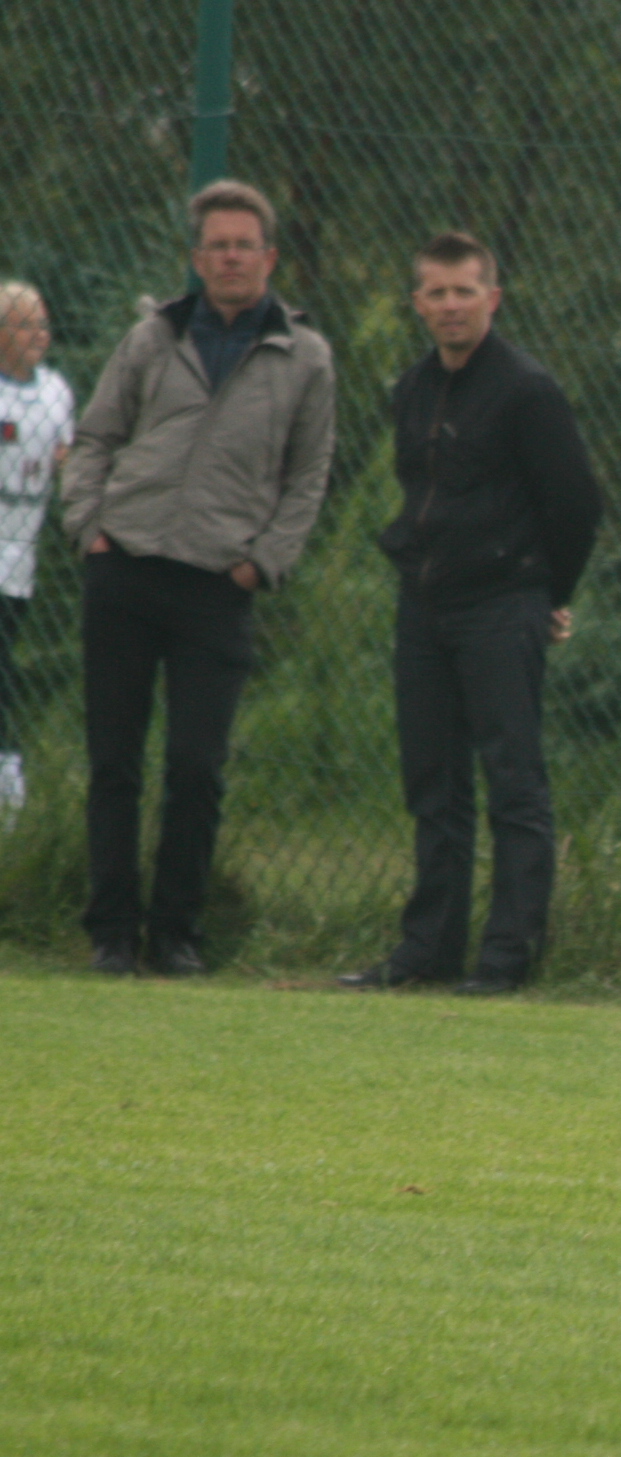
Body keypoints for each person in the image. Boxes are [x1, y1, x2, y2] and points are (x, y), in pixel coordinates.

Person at [60, 180, 337, 976]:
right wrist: (90, 528)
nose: (230, 258)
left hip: (219, 584)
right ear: (196, 257)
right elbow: (96, 437)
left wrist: (262, 562)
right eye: (217, 245)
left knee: (196, 768)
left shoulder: (305, 357)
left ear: (270, 257)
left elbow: (308, 477)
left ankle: (177, 935)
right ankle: (112, 933)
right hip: (126, 567)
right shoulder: (153, 338)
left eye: (244, 245)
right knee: (114, 763)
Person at [337, 231, 603, 995]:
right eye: (437, 292)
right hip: (424, 606)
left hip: (502, 605)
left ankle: (507, 959)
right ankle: (428, 951)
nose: (452, 305)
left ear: (494, 298)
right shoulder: (412, 388)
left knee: (513, 783)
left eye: (465, 291)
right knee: (434, 785)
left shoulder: (527, 390)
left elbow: (577, 503)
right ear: (417, 303)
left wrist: (549, 592)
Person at [0, 280, 76, 829]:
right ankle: (10, 777)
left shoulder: (55, 392)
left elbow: (64, 458)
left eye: (42, 324)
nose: (38, 335)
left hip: (21, 551)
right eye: (25, 325)